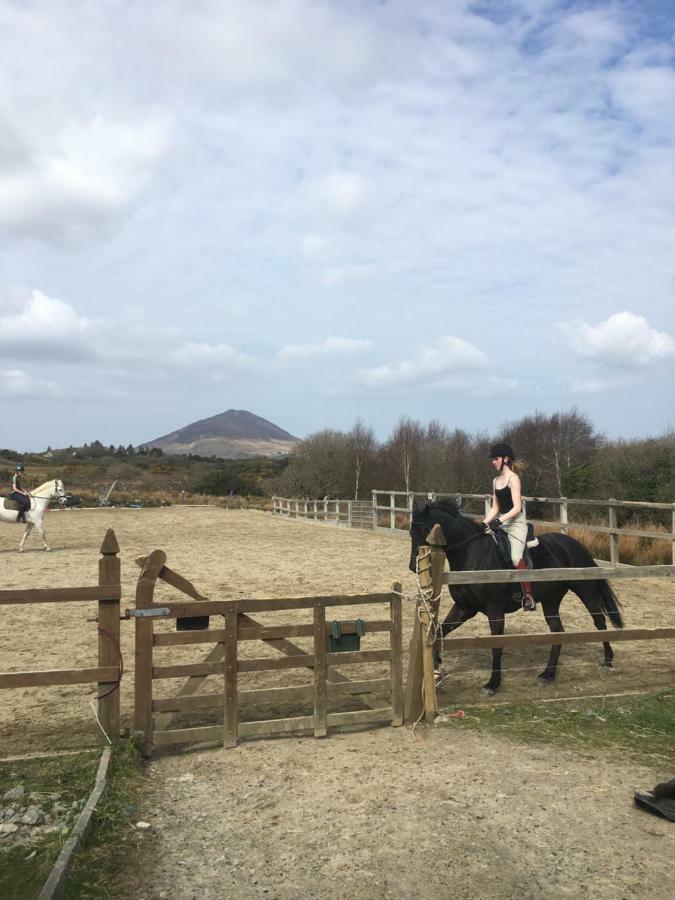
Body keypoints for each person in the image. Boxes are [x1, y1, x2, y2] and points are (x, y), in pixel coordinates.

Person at [482, 443, 535, 611]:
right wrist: (483, 523)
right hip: (502, 523)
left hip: (516, 524)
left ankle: (528, 595)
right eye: (493, 459)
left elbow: (517, 508)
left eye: (496, 459)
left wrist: (500, 520)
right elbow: (495, 508)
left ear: (505, 459)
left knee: (514, 557)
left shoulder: (513, 479)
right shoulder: (495, 481)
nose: (493, 462)